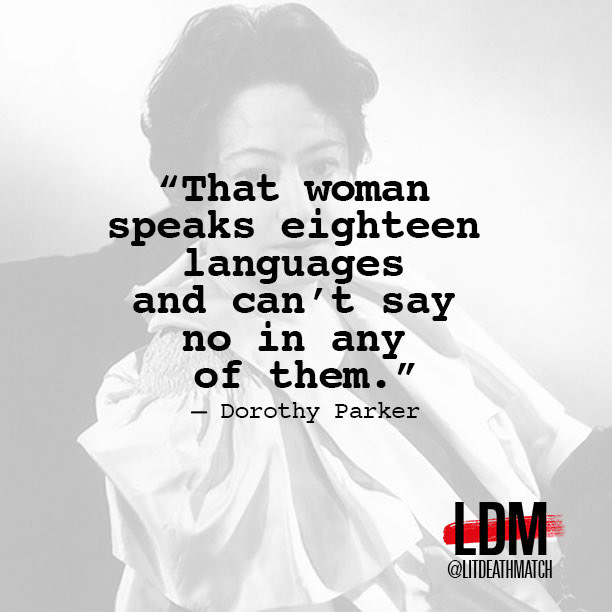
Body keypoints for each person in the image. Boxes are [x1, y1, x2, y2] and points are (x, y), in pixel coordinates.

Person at [71, 4, 610, 612]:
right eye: (256, 178)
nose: (299, 208)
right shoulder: (192, 386)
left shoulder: (379, 288)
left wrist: (561, 562)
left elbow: (542, 458)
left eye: (322, 167)